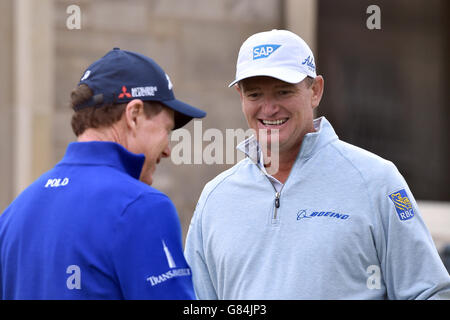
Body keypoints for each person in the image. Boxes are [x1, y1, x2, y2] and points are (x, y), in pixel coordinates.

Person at [184, 29, 450, 299]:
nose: (269, 108)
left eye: (283, 92)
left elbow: (430, 292)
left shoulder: (377, 181)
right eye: (254, 95)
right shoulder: (215, 199)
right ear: (241, 97)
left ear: (315, 91)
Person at [0, 48, 206, 299]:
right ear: (134, 114)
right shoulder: (142, 207)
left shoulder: (13, 215)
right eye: (167, 130)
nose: (168, 151)